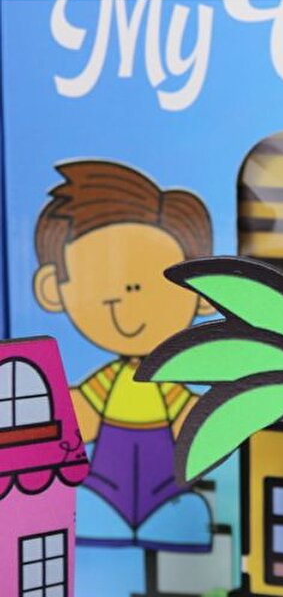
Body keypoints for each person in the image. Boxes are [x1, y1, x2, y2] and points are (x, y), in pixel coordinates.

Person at [33, 160, 214, 575]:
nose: (126, 298)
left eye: (153, 281)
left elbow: (191, 418)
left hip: (166, 488)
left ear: (204, 293)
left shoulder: (167, 381)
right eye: (102, 280)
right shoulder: (107, 382)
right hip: (104, 488)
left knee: (182, 512)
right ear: (52, 288)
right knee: (88, 507)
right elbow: (82, 417)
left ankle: (166, 525)